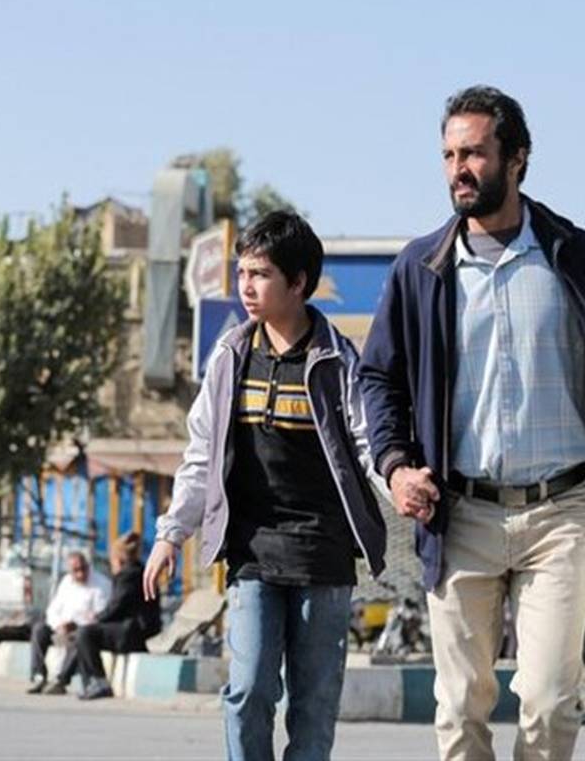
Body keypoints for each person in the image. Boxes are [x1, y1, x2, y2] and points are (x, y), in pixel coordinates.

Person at [360, 85, 585, 761]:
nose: (459, 169)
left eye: (474, 153)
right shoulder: (421, 268)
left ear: (518, 158)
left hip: (557, 513)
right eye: (449, 155)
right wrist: (395, 465)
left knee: (549, 702)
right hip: (459, 516)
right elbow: (379, 378)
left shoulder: (572, 255)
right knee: (459, 708)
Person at [143, 210, 388, 761]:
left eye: (260, 274)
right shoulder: (230, 357)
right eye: (242, 273)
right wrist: (170, 534)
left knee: (314, 706)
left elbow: (367, 443)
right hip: (252, 554)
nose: (246, 286)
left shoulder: (337, 360)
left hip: (323, 557)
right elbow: (201, 455)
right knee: (249, 689)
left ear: (298, 283)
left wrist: (404, 488)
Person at [74, 532, 161, 700]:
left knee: (85, 633)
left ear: (118, 558)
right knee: (82, 634)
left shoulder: (129, 575)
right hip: (136, 630)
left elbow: (116, 607)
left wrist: (96, 618)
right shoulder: (139, 571)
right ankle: (78, 681)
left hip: (134, 633)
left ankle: (98, 682)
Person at [27, 551, 110, 694]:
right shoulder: (66, 582)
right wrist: (58, 625)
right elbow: (53, 610)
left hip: (83, 629)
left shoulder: (101, 584)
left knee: (82, 636)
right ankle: (38, 676)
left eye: (83, 569)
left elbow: (99, 615)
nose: (80, 574)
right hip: (62, 628)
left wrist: (75, 624)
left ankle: (61, 680)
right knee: (39, 630)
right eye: (76, 570)